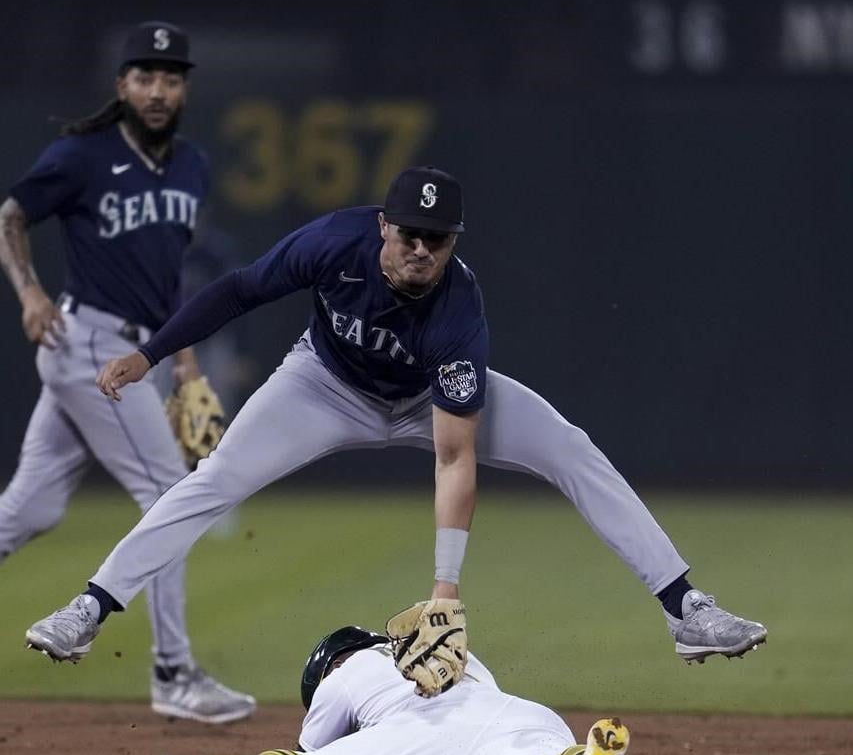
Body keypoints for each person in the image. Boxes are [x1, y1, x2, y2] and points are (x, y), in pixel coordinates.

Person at [24, 165, 767, 680]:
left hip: (422, 401)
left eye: (435, 238)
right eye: (407, 231)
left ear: (454, 242)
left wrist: (444, 589)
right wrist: (152, 353)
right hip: (322, 384)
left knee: (571, 450)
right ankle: (88, 609)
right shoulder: (330, 244)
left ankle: (684, 609)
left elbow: (453, 457)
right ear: (382, 225)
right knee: (214, 479)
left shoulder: (457, 314)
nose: (419, 247)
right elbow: (240, 290)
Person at [0, 21, 255, 723]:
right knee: (170, 497)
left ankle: (174, 669)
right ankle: (174, 672)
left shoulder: (192, 166)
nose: (156, 88)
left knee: (29, 509)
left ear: (184, 88)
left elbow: (167, 269)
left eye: (170, 77)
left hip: (133, 347)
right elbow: (13, 214)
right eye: (144, 76)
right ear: (122, 86)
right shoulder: (82, 155)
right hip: (90, 344)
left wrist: (185, 356)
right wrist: (28, 291)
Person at [119, 625, 630, 755]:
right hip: (518, 712)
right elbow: (476, 703)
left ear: (326, 666)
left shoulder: (342, 675)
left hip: (414, 738)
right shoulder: (428, 647)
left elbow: (312, 752)